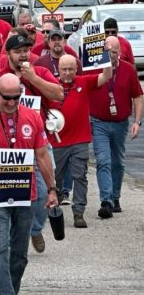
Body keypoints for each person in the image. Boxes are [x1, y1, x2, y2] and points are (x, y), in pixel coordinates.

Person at [0, 73, 58, 295]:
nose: (10, 103)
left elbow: (43, 156)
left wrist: (52, 189)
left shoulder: (33, 118)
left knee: (19, 255)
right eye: (6, 97)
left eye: (15, 97)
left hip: (26, 195)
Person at [51, 54, 112, 227]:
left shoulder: (84, 82)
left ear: (76, 69)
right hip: (57, 141)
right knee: (55, 178)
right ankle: (54, 205)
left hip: (80, 140)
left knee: (80, 176)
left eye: (71, 69)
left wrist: (105, 56)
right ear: (59, 70)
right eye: (64, 69)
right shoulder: (51, 86)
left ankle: (79, 212)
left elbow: (106, 76)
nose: (68, 72)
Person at [90, 35, 143, 217]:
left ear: (119, 51)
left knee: (117, 162)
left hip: (121, 123)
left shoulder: (128, 70)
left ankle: (115, 196)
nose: (110, 55)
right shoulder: (94, 68)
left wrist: (137, 121)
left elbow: (138, 95)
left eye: (113, 52)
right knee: (103, 160)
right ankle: (106, 200)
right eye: (107, 51)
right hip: (99, 122)